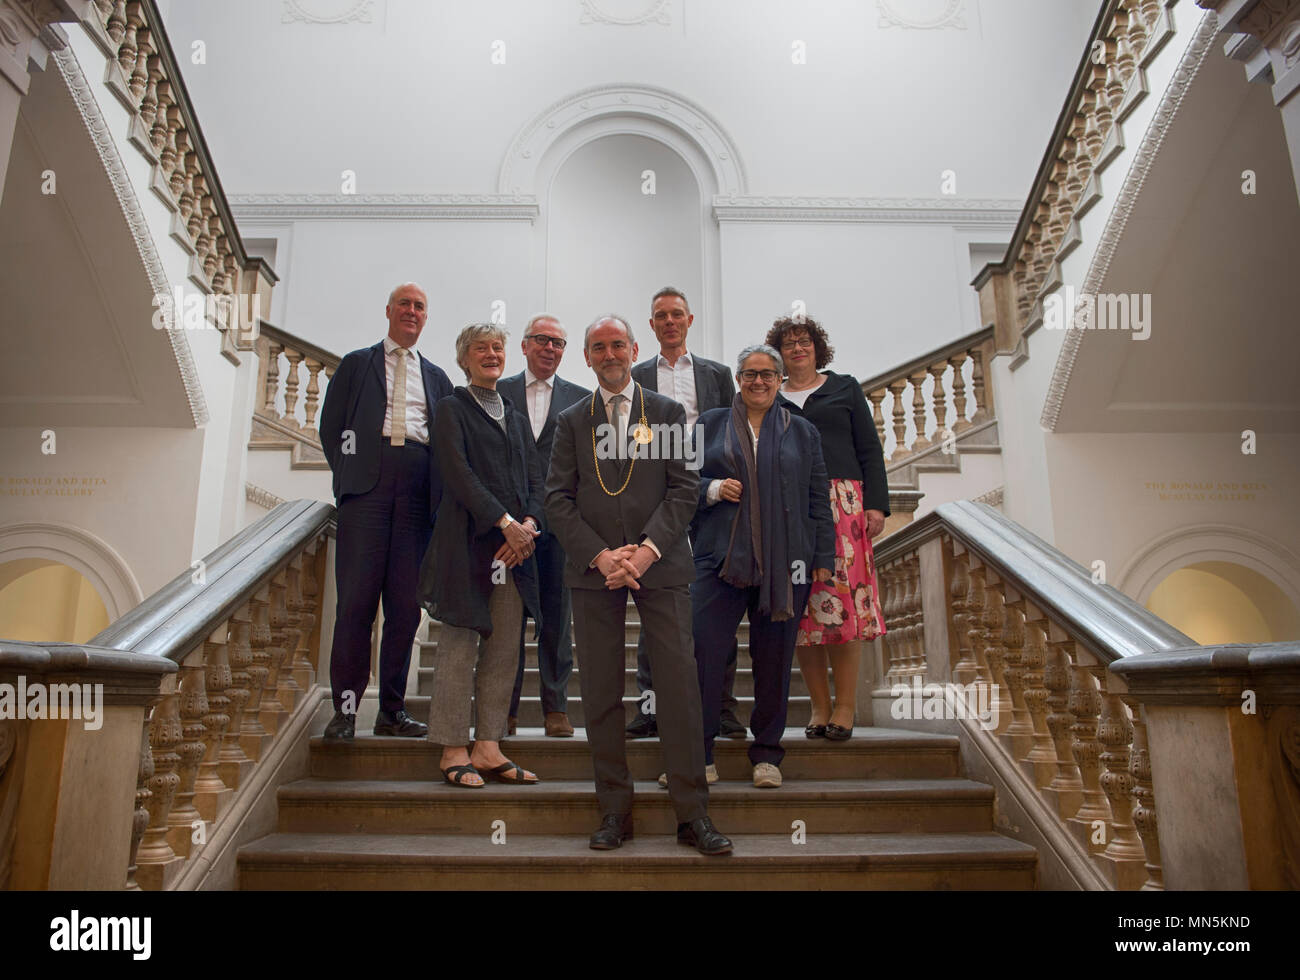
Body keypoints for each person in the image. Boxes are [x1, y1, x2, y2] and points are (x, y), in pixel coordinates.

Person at [545, 314, 732, 855]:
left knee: (678, 687)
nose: (610, 354)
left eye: (618, 344)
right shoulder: (570, 420)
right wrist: (601, 556)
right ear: (587, 357)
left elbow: (684, 487)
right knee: (602, 692)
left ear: (633, 349)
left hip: (663, 563)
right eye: (599, 347)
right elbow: (557, 496)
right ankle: (613, 811)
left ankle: (692, 815)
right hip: (594, 570)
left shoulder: (669, 412)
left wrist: (647, 551)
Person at [688, 345, 835, 788]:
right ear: (738, 379)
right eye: (750, 374)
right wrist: (712, 489)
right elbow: (679, 485)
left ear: (778, 379)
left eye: (767, 374)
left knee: (774, 660)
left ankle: (767, 753)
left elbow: (817, 497)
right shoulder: (708, 425)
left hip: (785, 563)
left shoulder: (802, 431)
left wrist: (822, 558)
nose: (758, 382)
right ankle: (700, 753)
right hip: (718, 560)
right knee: (703, 656)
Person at [318, 282, 453, 741]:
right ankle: (346, 712)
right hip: (367, 494)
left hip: (417, 494)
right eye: (405, 305)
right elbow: (331, 427)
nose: (412, 311)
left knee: (404, 609)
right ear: (389, 311)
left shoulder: (436, 377)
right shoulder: (358, 364)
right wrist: (349, 479)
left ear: (425, 316)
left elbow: (448, 442)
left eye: (420, 306)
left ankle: (391, 712)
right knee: (355, 605)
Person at [418, 323, 545, 787]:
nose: (491, 354)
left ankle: (488, 745)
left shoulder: (513, 413)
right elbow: (458, 473)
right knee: (457, 647)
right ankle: (452, 747)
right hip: (466, 547)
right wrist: (504, 523)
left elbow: (536, 478)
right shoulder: (451, 408)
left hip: (513, 553)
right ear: (465, 358)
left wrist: (529, 524)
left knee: (504, 647)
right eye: (481, 349)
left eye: (497, 348)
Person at [767, 314, 889, 742]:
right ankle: (819, 706)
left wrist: (877, 505)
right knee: (801, 613)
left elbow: (870, 448)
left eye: (804, 342)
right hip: (788, 511)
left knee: (845, 609)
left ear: (817, 347)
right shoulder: (771, 396)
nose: (797, 349)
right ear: (778, 353)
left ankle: (845, 706)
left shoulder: (844, 388)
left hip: (845, 507)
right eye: (788, 344)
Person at [628, 286, 741, 740]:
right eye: (661, 316)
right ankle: (650, 705)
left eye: (677, 314)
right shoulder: (635, 375)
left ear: (689, 321)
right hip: (659, 498)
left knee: (718, 604)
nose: (670, 321)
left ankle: (724, 708)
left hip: (713, 495)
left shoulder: (718, 374)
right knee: (653, 598)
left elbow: (733, 432)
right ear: (652, 324)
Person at [499, 314, 591, 737]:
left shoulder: (582, 400)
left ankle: (556, 708)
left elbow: (587, 468)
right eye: (542, 340)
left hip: (558, 527)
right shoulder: (496, 392)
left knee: (556, 619)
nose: (550, 348)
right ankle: (506, 709)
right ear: (524, 345)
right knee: (507, 621)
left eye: (558, 343)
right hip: (505, 529)